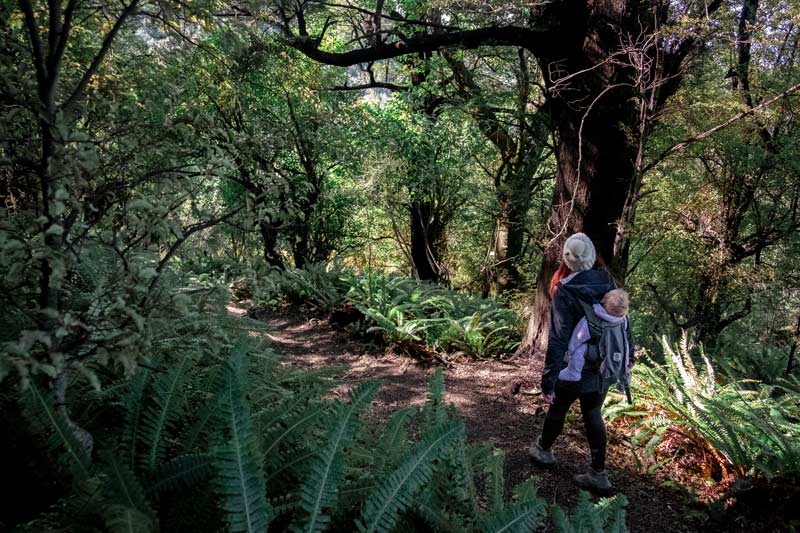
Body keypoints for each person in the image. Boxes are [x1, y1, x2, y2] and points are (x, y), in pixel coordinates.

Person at [527, 233, 634, 493]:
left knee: (559, 407)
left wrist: (548, 380)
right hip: (604, 364)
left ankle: (543, 450)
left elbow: (558, 339)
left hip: (574, 367)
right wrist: (629, 355)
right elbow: (623, 320)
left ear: (567, 259)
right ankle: (598, 473)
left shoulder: (566, 290)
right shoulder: (608, 281)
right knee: (593, 413)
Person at [557, 288, 630, 383]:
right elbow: (624, 340)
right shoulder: (623, 321)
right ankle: (623, 374)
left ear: (604, 300)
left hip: (597, 352)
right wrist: (627, 359)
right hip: (613, 352)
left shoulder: (593, 318)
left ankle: (573, 372)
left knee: (580, 349)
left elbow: (578, 337)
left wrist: (570, 351)